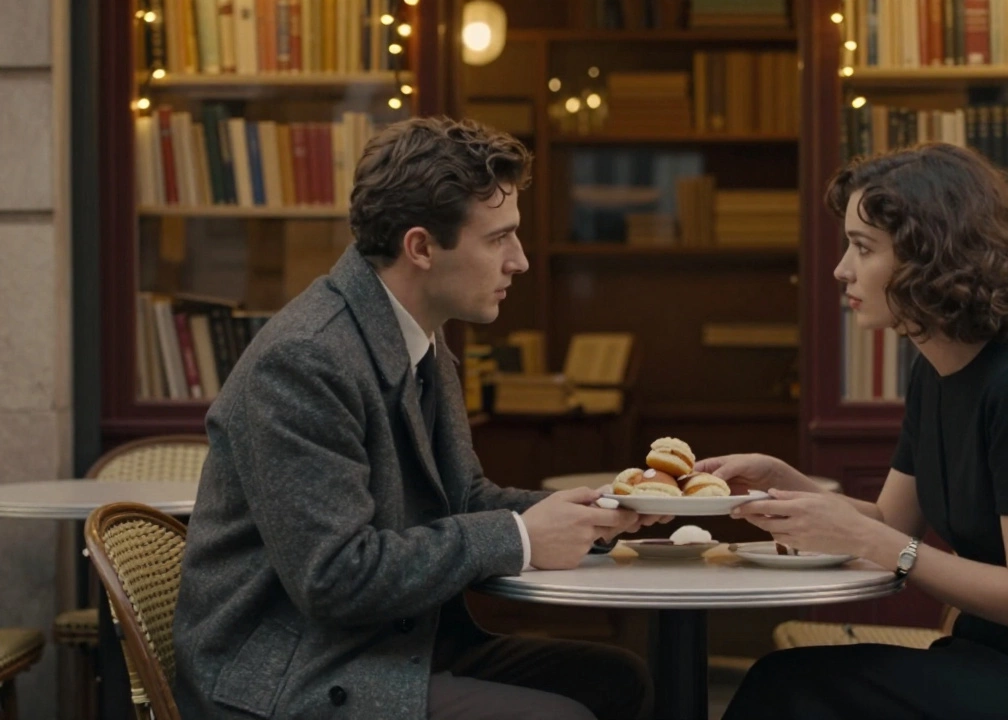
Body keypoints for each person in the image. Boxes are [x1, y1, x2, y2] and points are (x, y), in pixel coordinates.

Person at [172, 116, 657, 720]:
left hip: (393, 646)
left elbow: (462, 497)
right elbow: (333, 575)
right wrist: (521, 537)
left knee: (619, 680)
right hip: (290, 673)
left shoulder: (423, 336)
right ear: (422, 247)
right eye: (498, 239)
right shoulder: (304, 358)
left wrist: (596, 514)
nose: (521, 262)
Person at [703, 143, 1008, 720]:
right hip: (1000, 652)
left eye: (863, 248)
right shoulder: (936, 370)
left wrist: (867, 542)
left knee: (790, 688)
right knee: (786, 683)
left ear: (932, 259)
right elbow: (891, 523)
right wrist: (789, 486)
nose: (840, 269)